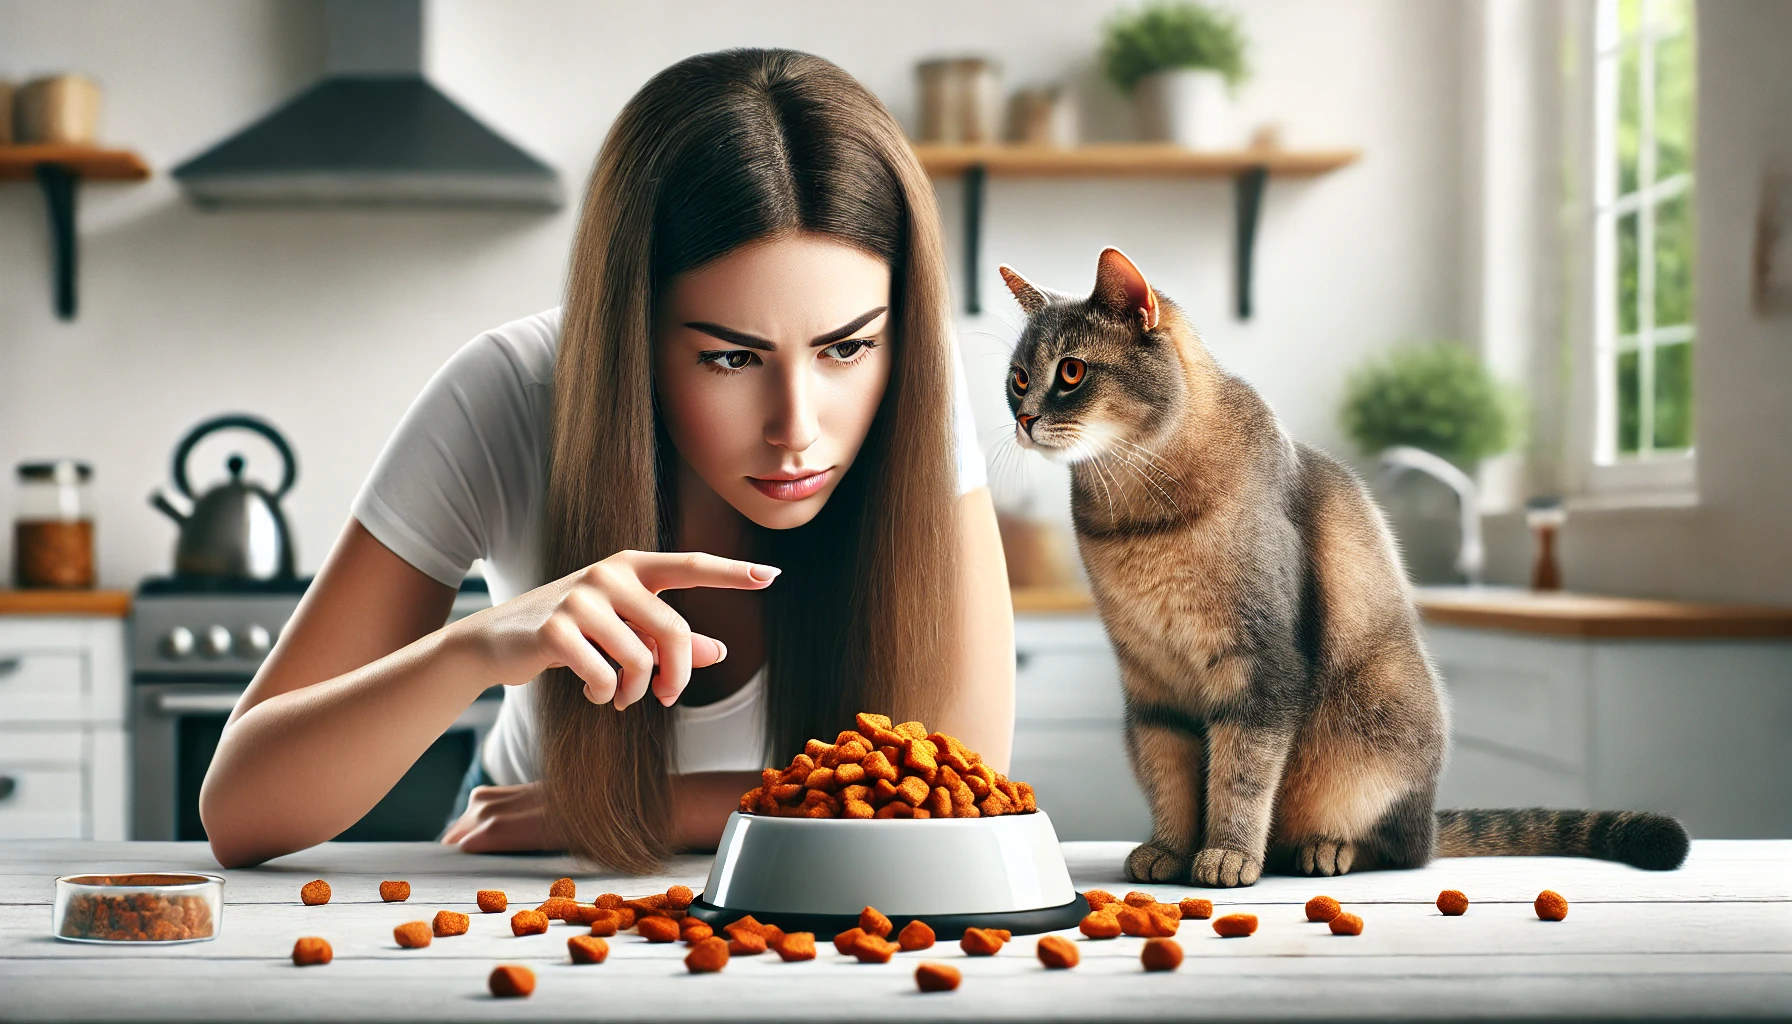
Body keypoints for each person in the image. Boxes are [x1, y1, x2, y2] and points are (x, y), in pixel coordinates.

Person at [199, 48, 1015, 872]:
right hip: (528, 859)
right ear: (634, 330)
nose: (797, 427)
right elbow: (241, 814)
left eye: (846, 348)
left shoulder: (916, 379)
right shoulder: (508, 393)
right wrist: (474, 649)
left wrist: (634, 806)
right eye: (731, 359)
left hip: (637, 837)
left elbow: (969, 783)